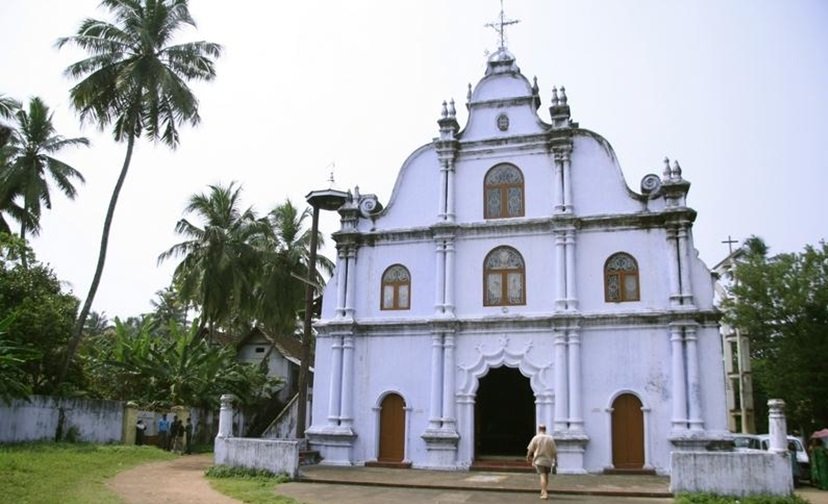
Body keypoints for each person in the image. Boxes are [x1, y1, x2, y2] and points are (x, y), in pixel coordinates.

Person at [527, 424, 558, 500]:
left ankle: (544, 493)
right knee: (546, 476)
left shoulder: (536, 438)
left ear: (539, 429)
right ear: (545, 429)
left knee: (542, 476)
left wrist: (528, 457)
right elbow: (554, 452)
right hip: (548, 460)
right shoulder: (550, 438)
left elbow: (530, 449)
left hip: (539, 460)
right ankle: (543, 490)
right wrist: (556, 460)